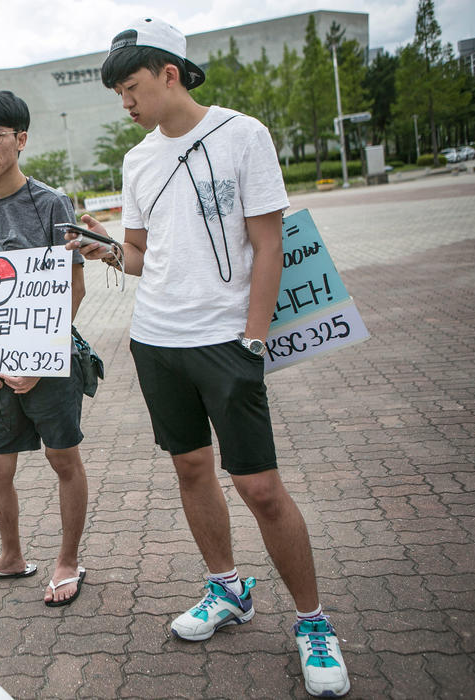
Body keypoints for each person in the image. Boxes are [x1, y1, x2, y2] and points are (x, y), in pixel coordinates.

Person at [68, 19, 350, 697]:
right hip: (157, 341)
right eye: (118, 95)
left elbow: (269, 245)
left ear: (170, 74)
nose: (126, 104)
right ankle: (228, 590)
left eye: (132, 88)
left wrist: (253, 339)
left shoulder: (242, 134)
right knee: (191, 468)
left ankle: (314, 624)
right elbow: (140, 257)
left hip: (227, 343)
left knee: (259, 488)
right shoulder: (138, 161)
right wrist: (103, 248)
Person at [0, 91, 89, 607]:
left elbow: (72, 288)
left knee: (62, 458)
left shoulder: (51, 203)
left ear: (21, 140)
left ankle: (68, 560)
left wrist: (37, 358)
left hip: (49, 358)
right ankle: (11, 556)